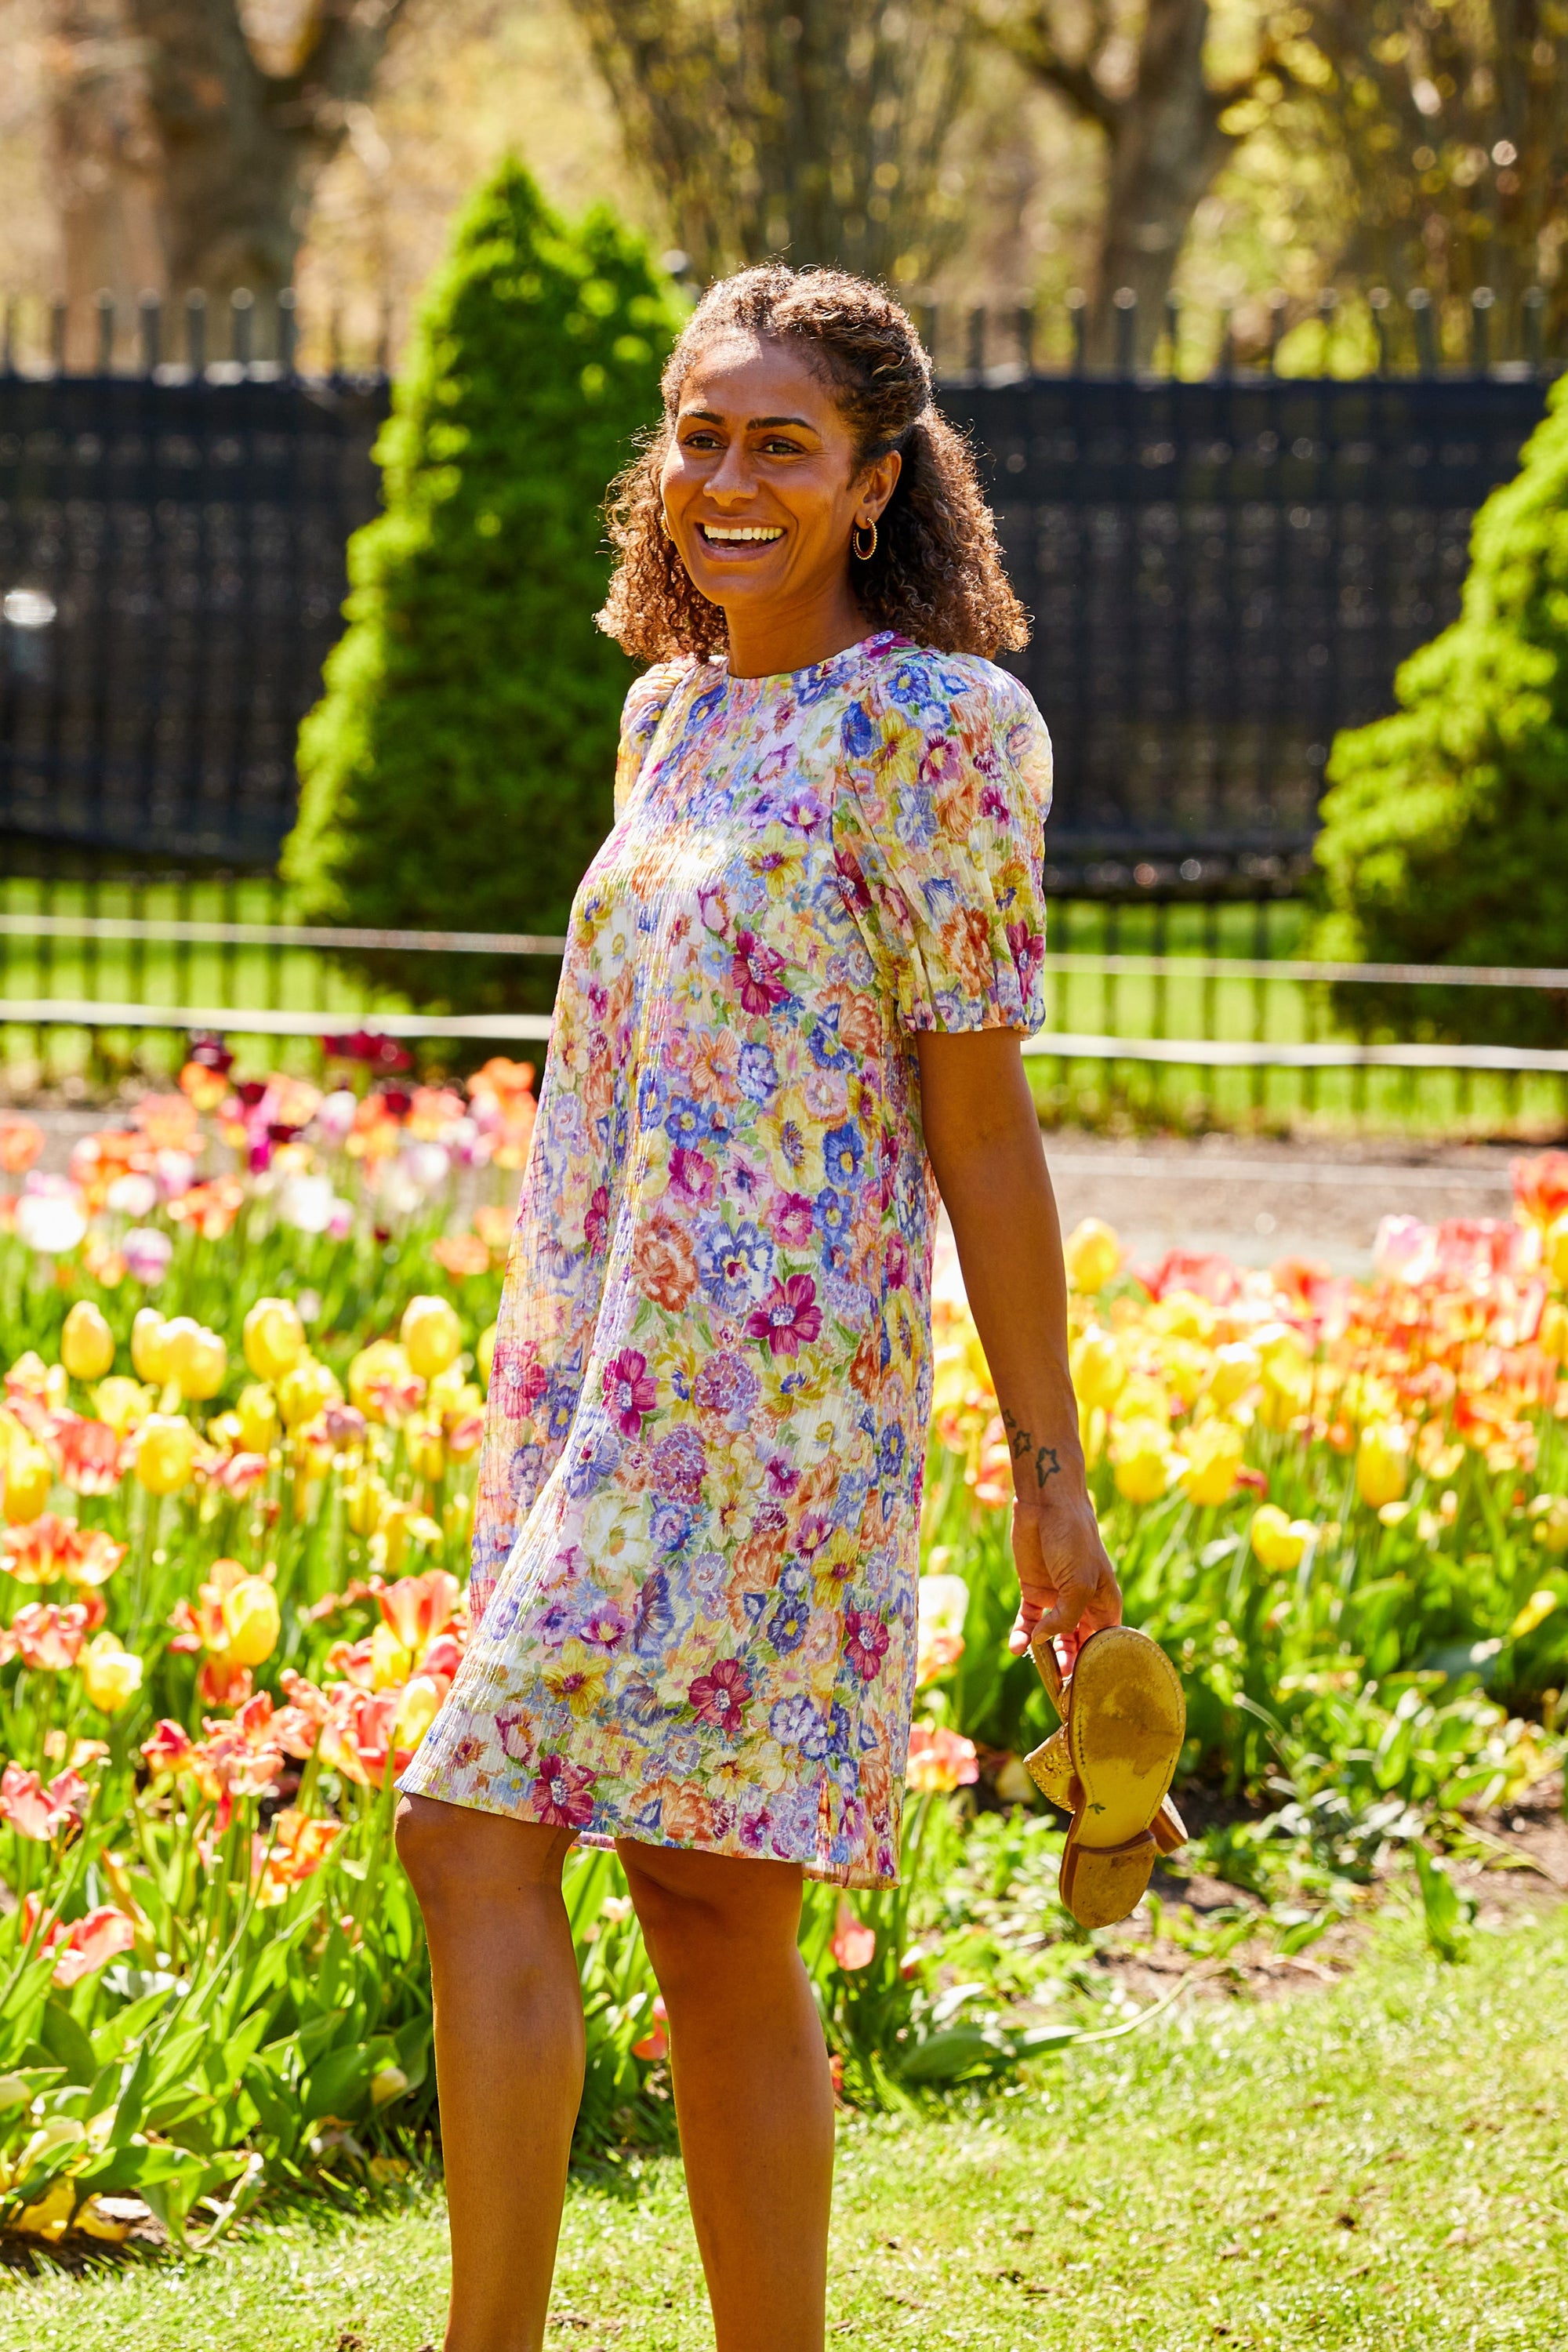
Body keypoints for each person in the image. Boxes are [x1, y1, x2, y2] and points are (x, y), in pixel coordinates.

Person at [394, 263, 1122, 2352]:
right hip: (603, 1376)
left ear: (878, 484)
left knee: (474, 1834)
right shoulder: (671, 714)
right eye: (701, 435)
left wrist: (1047, 1482)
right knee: (701, 1912)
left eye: (781, 444)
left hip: (775, 1405)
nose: (726, 480)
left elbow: (982, 1134)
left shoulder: (945, 728)